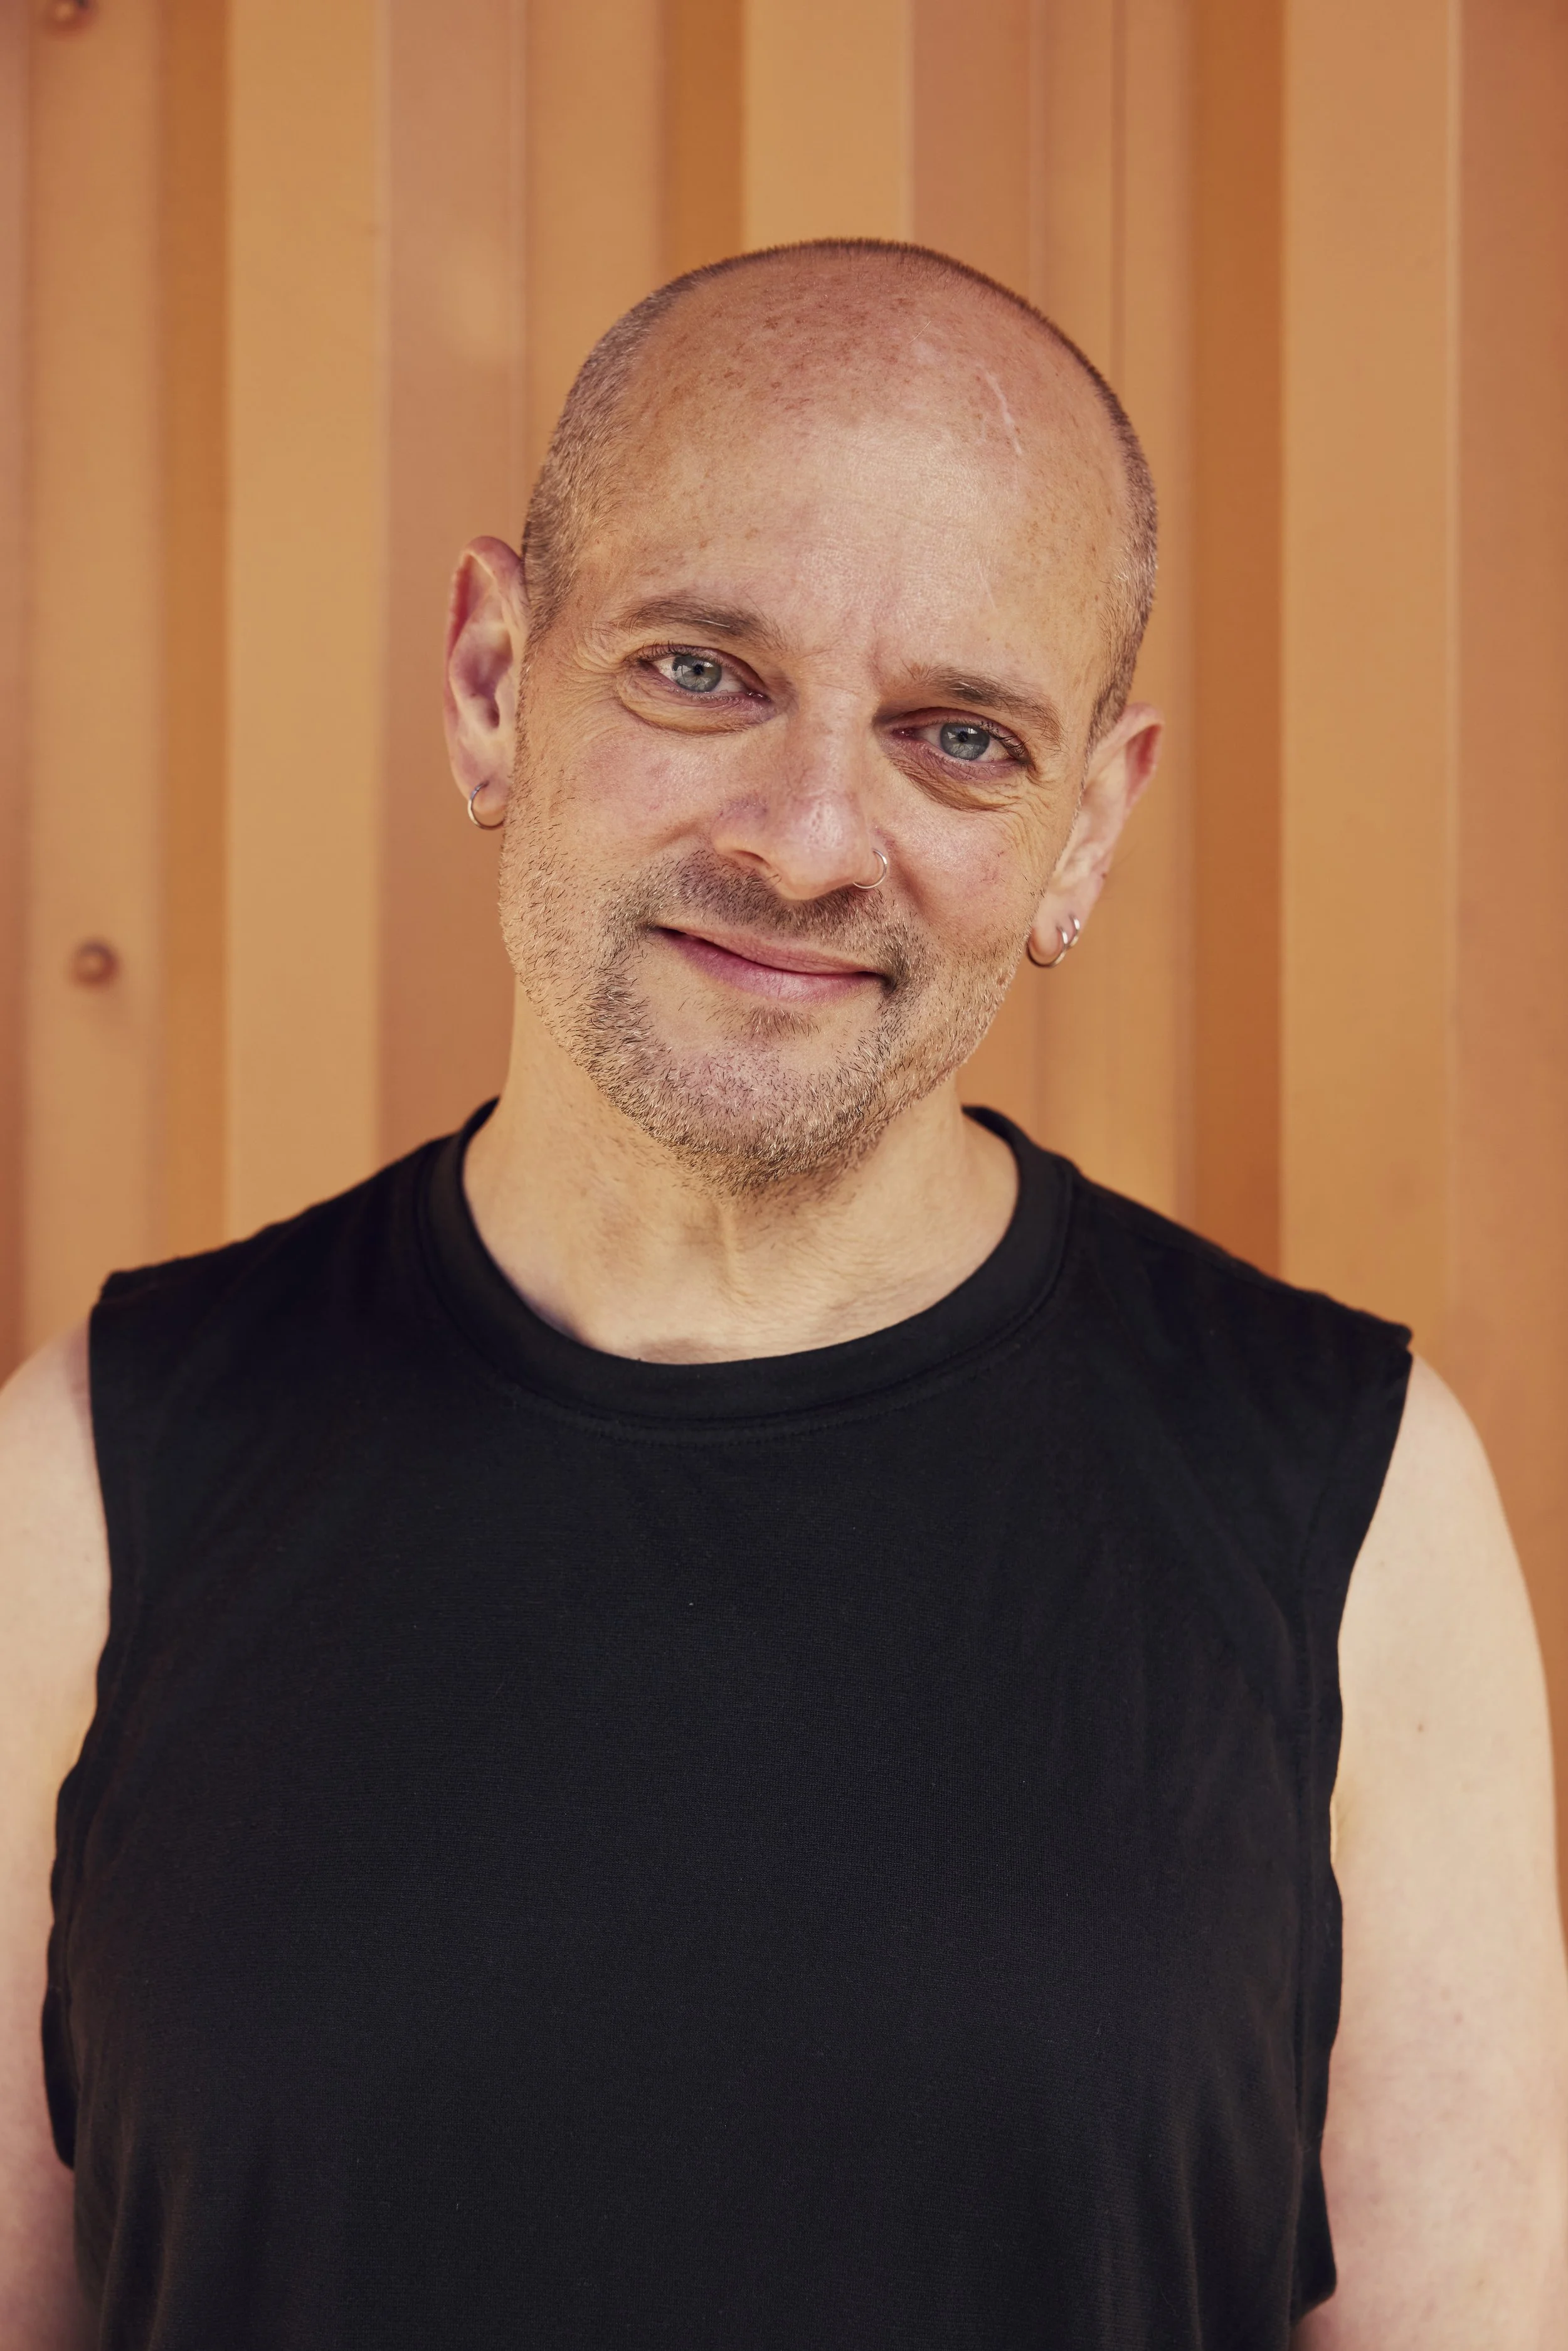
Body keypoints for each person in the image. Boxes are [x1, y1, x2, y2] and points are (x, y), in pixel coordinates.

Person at [1, 239, 1564, 2351]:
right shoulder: (92, 1476)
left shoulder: (1355, 1503)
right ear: (492, 679)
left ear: (1084, 829)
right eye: (701, 672)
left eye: (957, 736)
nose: (814, 839)